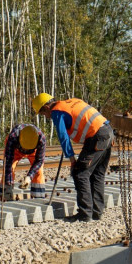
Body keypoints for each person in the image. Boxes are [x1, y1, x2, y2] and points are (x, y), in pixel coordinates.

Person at [31, 93, 113, 221]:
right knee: (97, 174)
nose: (46, 117)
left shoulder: (57, 112)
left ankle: (85, 213)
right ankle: (97, 213)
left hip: (96, 136)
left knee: (80, 173)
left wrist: (72, 159)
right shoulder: (71, 101)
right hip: (107, 132)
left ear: (46, 107)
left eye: (43, 114)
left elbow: (63, 137)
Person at [0, 124, 47, 200]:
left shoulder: (41, 139)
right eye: (25, 149)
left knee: (39, 171)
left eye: (28, 150)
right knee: (10, 168)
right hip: (16, 151)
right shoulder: (13, 137)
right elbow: (8, 162)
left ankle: (38, 197)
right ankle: (6, 195)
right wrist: (9, 184)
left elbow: (39, 161)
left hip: (33, 152)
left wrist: (29, 177)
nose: (26, 152)